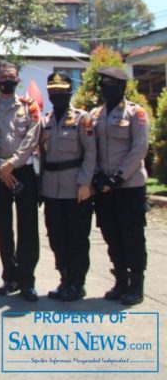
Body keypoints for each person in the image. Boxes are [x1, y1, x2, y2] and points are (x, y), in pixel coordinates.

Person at [0, 62, 41, 302]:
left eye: (12, 76)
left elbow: (32, 137)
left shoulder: (29, 106)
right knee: (3, 227)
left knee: (28, 227)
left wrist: (12, 164)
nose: (8, 80)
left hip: (23, 170)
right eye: (4, 76)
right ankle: (10, 276)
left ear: (18, 80)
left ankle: (27, 280)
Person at [91, 67, 149, 305]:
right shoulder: (95, 115)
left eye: (112, 85)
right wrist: (98, 176)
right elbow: (89, 149)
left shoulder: (136, 113)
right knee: (111, 234)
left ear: (122, 87)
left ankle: (136, 284)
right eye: (103, 85)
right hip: (104, 188)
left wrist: (118, 177)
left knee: (132, 235)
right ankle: (120, 281)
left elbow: (139, 148)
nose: (106, 89)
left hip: (129, 186)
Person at [39, 72, 96, 302]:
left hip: (76, 189)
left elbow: (91, 153)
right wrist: (40, 189)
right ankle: (64, 279)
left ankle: (77, 282)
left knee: (77, 237)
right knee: (56, 237)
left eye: (61, 91)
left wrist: (85, 183)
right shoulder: (45, 121)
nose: (57, 95)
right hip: (52, 189)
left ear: (69, 92)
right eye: (53, 91)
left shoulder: (83, 119)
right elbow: (41, 158)